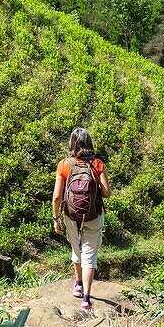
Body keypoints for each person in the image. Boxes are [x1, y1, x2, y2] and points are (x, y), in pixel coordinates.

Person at [52, 127, 111, 313]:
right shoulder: (98, 164)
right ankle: (86, 299)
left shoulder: (64, 164)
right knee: (89, 255)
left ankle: (77, 284)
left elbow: (56, 196)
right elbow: (107, 193)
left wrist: (56, 218)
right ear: (89, 143)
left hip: (71, 215)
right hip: (93, 215)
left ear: (72, 144)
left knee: (76, 248)